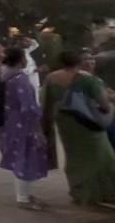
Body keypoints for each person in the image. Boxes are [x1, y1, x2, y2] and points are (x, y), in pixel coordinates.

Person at [42, 50, 115, 206]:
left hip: (64, 122)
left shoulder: (51, 77)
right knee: (104, 157)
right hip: (87, 123)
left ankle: (80, 191)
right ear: (79, 62)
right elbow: (104, 105)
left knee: (75, 156)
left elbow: (46, 102)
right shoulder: (88, 80)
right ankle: (106, 192)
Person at [0, 47, 49, 210]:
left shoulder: (3, 75)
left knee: (18, 157)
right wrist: (38, 129)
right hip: (22, 124)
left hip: (7, 123)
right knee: (24, 158)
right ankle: (23, 198)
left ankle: (24, 195)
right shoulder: (20, 79)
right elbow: (29, 107)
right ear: (20, 60)